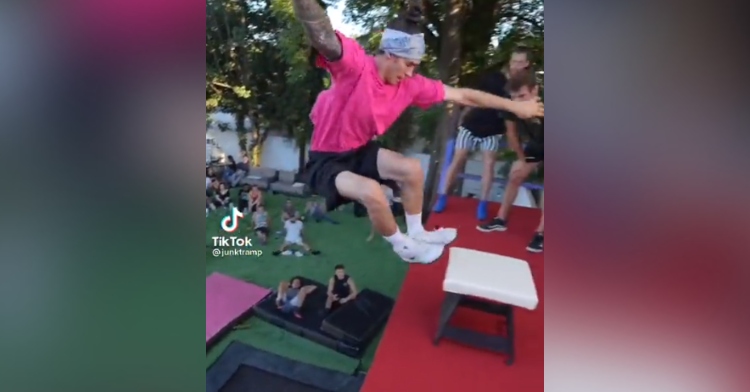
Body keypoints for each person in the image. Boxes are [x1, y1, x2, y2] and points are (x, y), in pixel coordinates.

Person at [289, 1, 543, 264]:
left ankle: (418, 232)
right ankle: (405, 248)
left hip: (360, 149)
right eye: (409, 65)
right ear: (390, 55)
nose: (411, 73)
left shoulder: (411, 84)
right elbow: (322, 35)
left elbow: (464, 95)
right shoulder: (355, 66)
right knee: (372, 191)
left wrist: (515, 106)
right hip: (326, 160)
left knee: (412, 169)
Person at [433, 47, 533, 220]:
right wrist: (463, 116)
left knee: (489, 165)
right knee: (458, 159)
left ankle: (483, 203)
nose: (515, 65)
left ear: (526, 64)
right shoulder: (494, 78)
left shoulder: (526, 85)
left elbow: (522, 111)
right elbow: (474, 97)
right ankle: (442, 197)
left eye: (519, 62)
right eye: (513, 61)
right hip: (473, 123)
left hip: (493, 130)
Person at [477, 69, 544, 253]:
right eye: (514, 97)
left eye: (522, 96)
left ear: (535, 91)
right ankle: (500, 219)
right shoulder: (512, 107)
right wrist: (523, 160)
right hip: (538, 143)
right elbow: (512, 135)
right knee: (515, 174)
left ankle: (542, 234)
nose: (518, 102)